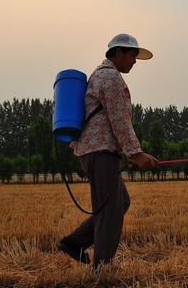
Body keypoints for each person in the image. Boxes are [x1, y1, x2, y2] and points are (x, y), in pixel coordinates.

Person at [58, 33, 158, 267]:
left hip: (97, 151)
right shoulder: (110, 77)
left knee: (119, 202)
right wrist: (135, 153)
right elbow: (119, 118)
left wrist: (131, 153)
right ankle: (102, 268)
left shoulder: (100, 75)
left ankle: (74, 242)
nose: (135, 61)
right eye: (133, 55)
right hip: (100, 152)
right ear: (119, 53)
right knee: (110, 211)